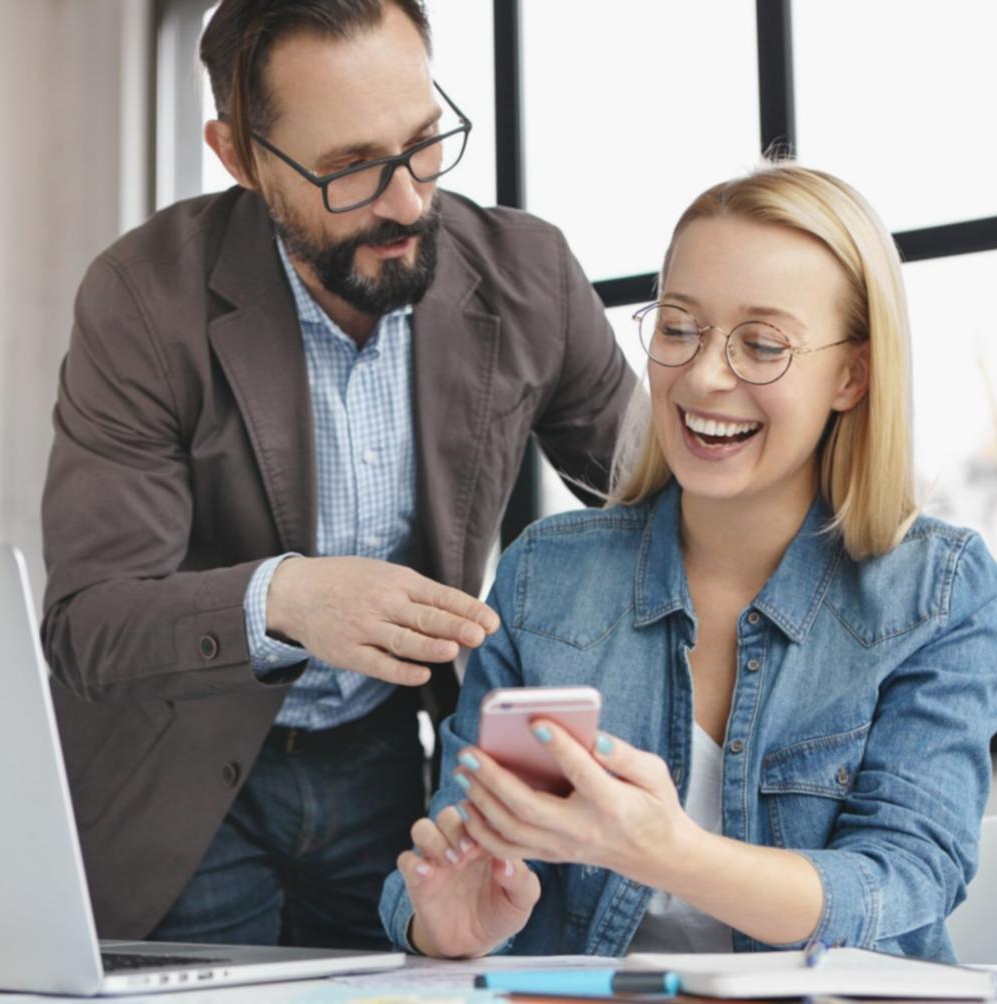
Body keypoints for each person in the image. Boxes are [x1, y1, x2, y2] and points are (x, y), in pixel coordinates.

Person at [38, 0, 635, 950]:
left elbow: (661, 502)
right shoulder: (143, 296)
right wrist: (288, 598)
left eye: (423, 142)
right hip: (182, 780)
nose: (405, 201)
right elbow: (89, 623)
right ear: (237, 156)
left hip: (390, 766)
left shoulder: (529, 275)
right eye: (350, 167)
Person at [380, 163, 997, 960]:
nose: (705, 377)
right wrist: (441, 925)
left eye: (761, 344)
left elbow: (904, 873)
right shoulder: (545, 579)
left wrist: (665, 851)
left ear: (850, 375)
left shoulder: (937, 592)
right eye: (678, 329)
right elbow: (457, 844)